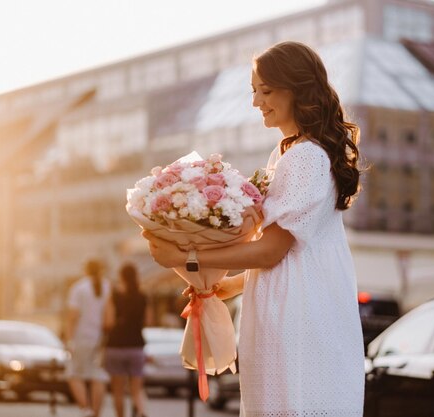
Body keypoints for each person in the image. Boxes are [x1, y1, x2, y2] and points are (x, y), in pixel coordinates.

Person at [143, 41, 365, 417]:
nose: (256, 102)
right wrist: (233, 283)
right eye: (253, 91)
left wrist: (187, 257)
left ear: (297, 90)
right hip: (290, 307)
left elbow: (272, 250)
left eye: (265, 91)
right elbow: (294, 253)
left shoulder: (306, 157)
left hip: (297, 316)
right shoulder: (288, 152)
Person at [65, 259, 111, 417]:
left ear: (85, 270)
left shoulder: (78, 288)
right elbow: (108, 316)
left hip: (81, 337)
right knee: (97, 375)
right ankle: (96, 412)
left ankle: (86, 409)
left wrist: (69, 339)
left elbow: (73, 316)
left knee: (73, 374)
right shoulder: (107, 286)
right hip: (100, 339)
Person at [103, 262, 149, 417]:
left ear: (121, 277)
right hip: (136, 346)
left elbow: (108, 322)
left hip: (115, 347)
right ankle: (141, 411)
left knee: (118, 392)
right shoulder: (143, 296)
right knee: (136, 390)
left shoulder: (114, 296)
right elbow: (149, 321)